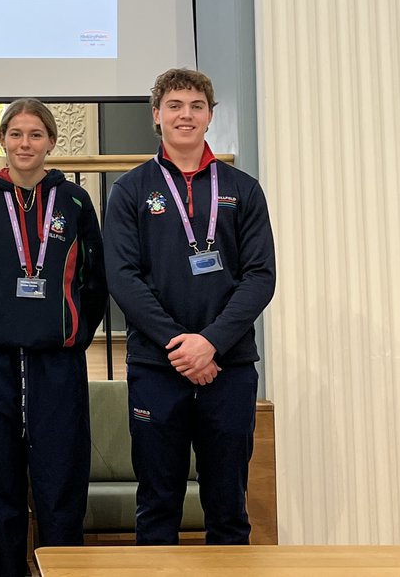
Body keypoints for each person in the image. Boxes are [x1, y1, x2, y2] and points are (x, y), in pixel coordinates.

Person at [103, 68, 275, 545]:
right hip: (158, 366)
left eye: (196, 106)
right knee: (157, 505)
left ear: (209, 116)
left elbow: (261, 277)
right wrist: (180, 345)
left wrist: (211, 343)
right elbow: (123, 277)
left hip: (229, 365)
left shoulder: (244, 189)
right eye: (174, 106)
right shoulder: (131, 190)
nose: (185, 115)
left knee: (228, 507)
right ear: (156, 115)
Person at [0, 98, 107, 576]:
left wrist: (75, 334)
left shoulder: (76, 202)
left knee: (60, 484)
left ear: (51, 143)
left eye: (36, 134)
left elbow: (95, 279)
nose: (26, 143)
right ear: (2, 140)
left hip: (56, 362)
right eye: (17, 134)